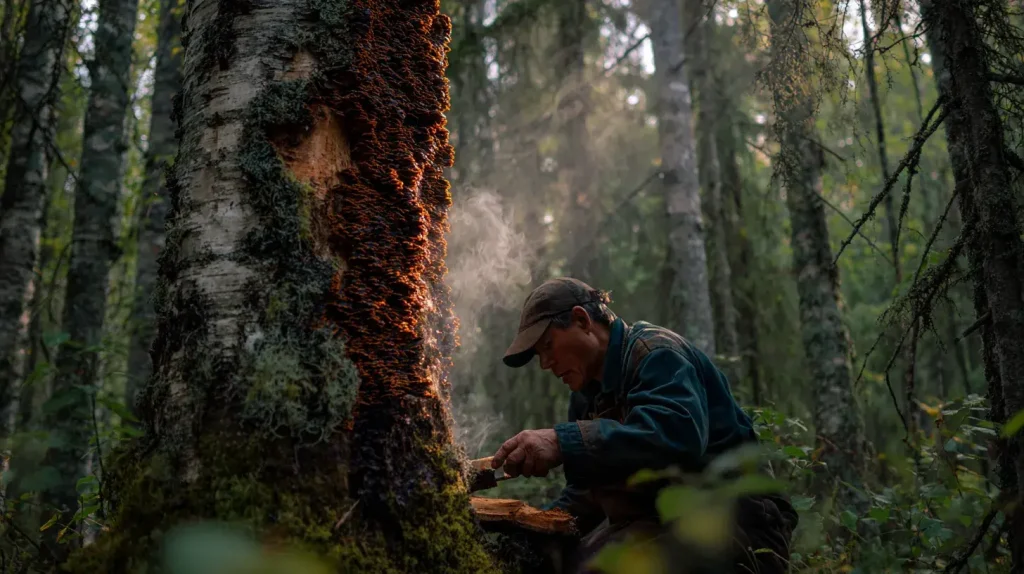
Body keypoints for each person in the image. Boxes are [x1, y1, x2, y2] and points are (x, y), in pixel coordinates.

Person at [489, 277, 798, 573]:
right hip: (663, 519)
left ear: (582, 321)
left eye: (547, 346)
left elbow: (678, 438)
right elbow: (587, 496)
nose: (545, 364)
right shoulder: (586, 399)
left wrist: (562, 441)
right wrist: (535, 529)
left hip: (739, 518)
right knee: (555, 562)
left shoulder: (656, 353)